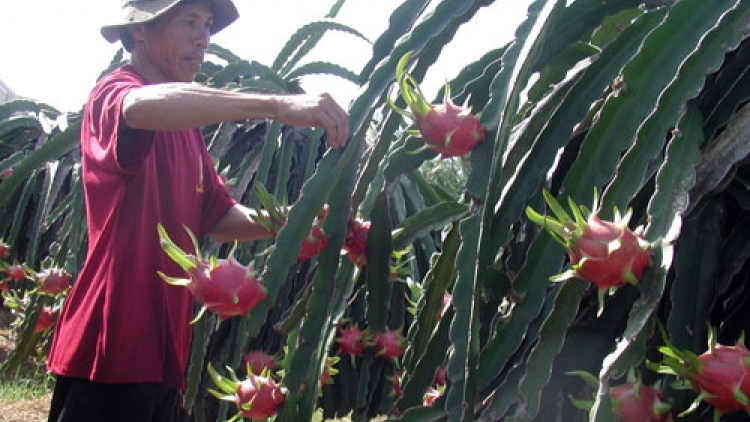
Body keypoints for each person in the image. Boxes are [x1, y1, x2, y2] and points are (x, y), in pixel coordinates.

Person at [45, 0, 350, 421]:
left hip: (164, 356)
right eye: (189, 22)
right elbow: (139, 107)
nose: (203, 37)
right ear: (138, 32)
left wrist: (295, 218)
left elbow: (219, 219)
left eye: (207, 25)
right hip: (108, 352)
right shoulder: (113, 93)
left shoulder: (186, 130)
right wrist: (276, 105)